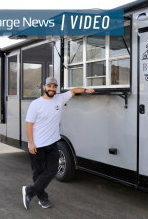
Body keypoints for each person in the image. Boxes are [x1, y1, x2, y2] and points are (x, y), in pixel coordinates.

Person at [22, 77, 95, 209]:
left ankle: (30, 191)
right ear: (44, 87)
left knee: (52, 170)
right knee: (38, 172)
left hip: (52, 143)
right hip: (37, 145)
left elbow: (73, 91)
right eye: (49, 86)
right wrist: (31, 143)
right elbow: (29, 125)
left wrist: (85, 90)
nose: (51, 89)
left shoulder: (60, 98)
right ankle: (42, 198)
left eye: (54, 86)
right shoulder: (36, 104)